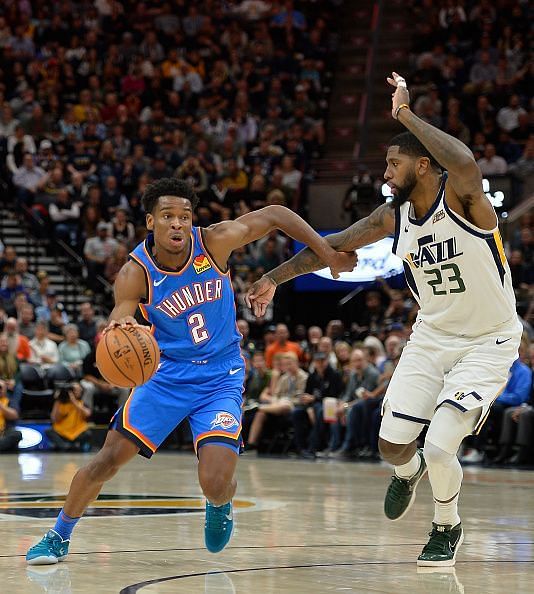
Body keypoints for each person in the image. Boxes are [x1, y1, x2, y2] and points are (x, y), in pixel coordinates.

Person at [246, 71, 522, 566]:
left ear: (422, 163)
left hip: (488, 341)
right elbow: (328, 251)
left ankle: (446, 526)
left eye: (394, 163)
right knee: (393, 447)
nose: (387, 172)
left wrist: (405, 115)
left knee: (440, 445)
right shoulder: (391, 218)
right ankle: (405, 471)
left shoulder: (464, 199)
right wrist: (273, 279)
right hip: (431, 337)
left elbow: (464, 160)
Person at [26, 177, 355, 564]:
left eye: (184, 216)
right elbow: (121, 313)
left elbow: (277, 215)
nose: (178, 223)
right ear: (151, 221)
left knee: (216, 485)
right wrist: (120, 327)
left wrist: (326, 252)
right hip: (166, 378)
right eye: (168, 216)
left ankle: (220, 505)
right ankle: (58, 534)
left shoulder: (214, 242)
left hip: (220, 376)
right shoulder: (136, 272)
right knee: (106, 461)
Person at [45, 383, 92, 452]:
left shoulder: (82, 403)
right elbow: (54, 419)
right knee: (49, 431)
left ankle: (66, 446)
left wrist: (73, 401)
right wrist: (58, 400)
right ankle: (69, 446)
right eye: (73, 390)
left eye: (78, 390)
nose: (76, 392)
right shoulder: (60, 404)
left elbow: (88, 414)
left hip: (77, 432)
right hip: (62, 432)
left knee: (88, 434)